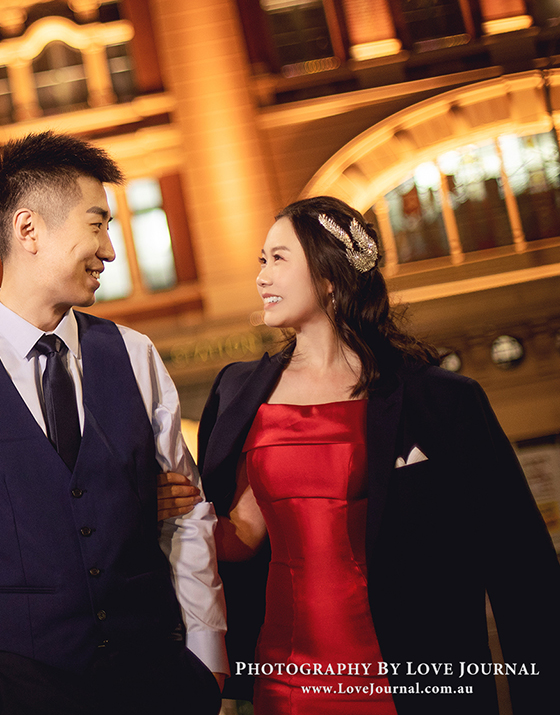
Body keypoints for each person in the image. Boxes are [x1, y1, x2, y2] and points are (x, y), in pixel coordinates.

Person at [161, 196, 560, 715]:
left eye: (279, 259)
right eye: (262, 260)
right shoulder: (239, 391)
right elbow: (243, 536)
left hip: (411, 673)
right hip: (287, 673)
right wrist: (167, 512)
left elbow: (517, 561)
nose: (261, 276)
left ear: (329, 278)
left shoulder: (438, 399)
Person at [0, 131, 227, 715]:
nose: (110, 250)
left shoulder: (134, 352)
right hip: (22, 688)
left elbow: (187, 512)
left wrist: (207, 651)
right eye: (97, 225)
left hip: (156, 676)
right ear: (29, 230)